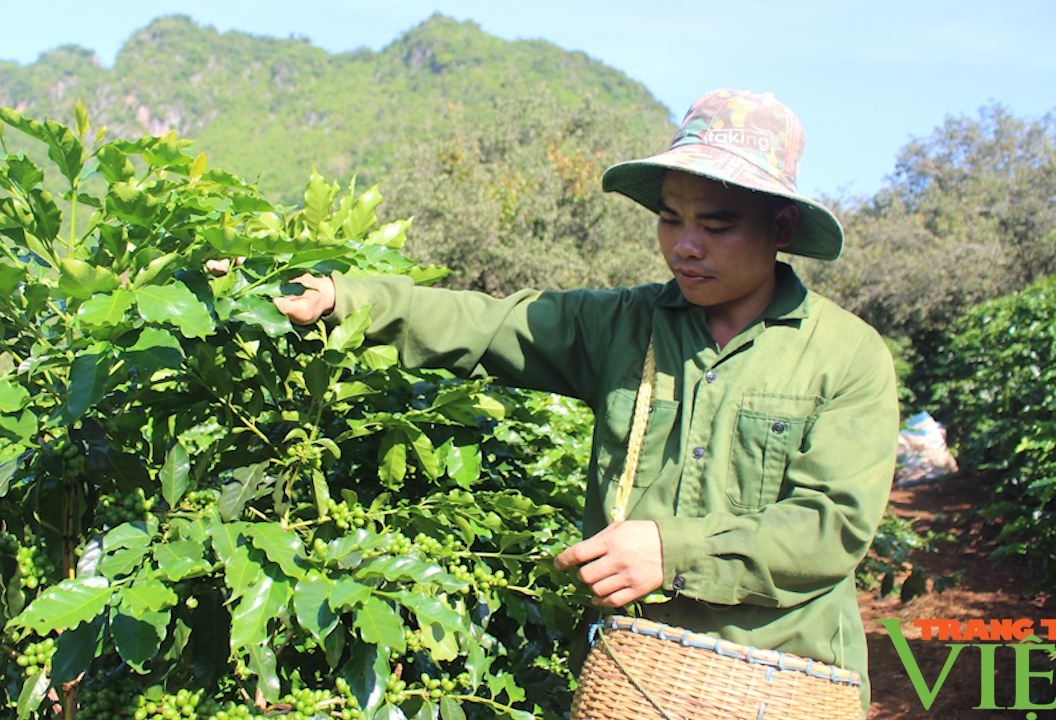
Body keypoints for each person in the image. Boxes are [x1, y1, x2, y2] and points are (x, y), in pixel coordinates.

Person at [274, 89, 898, 711]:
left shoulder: (847, 356)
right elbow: (487, 324)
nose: (685, 245)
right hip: (630, 674)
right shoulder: (624, 326)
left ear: (781, 226)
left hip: (778, 679)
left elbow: (831, 525)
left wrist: (670, 550)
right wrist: (339, 296)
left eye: (716, 225)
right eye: (670, 218)